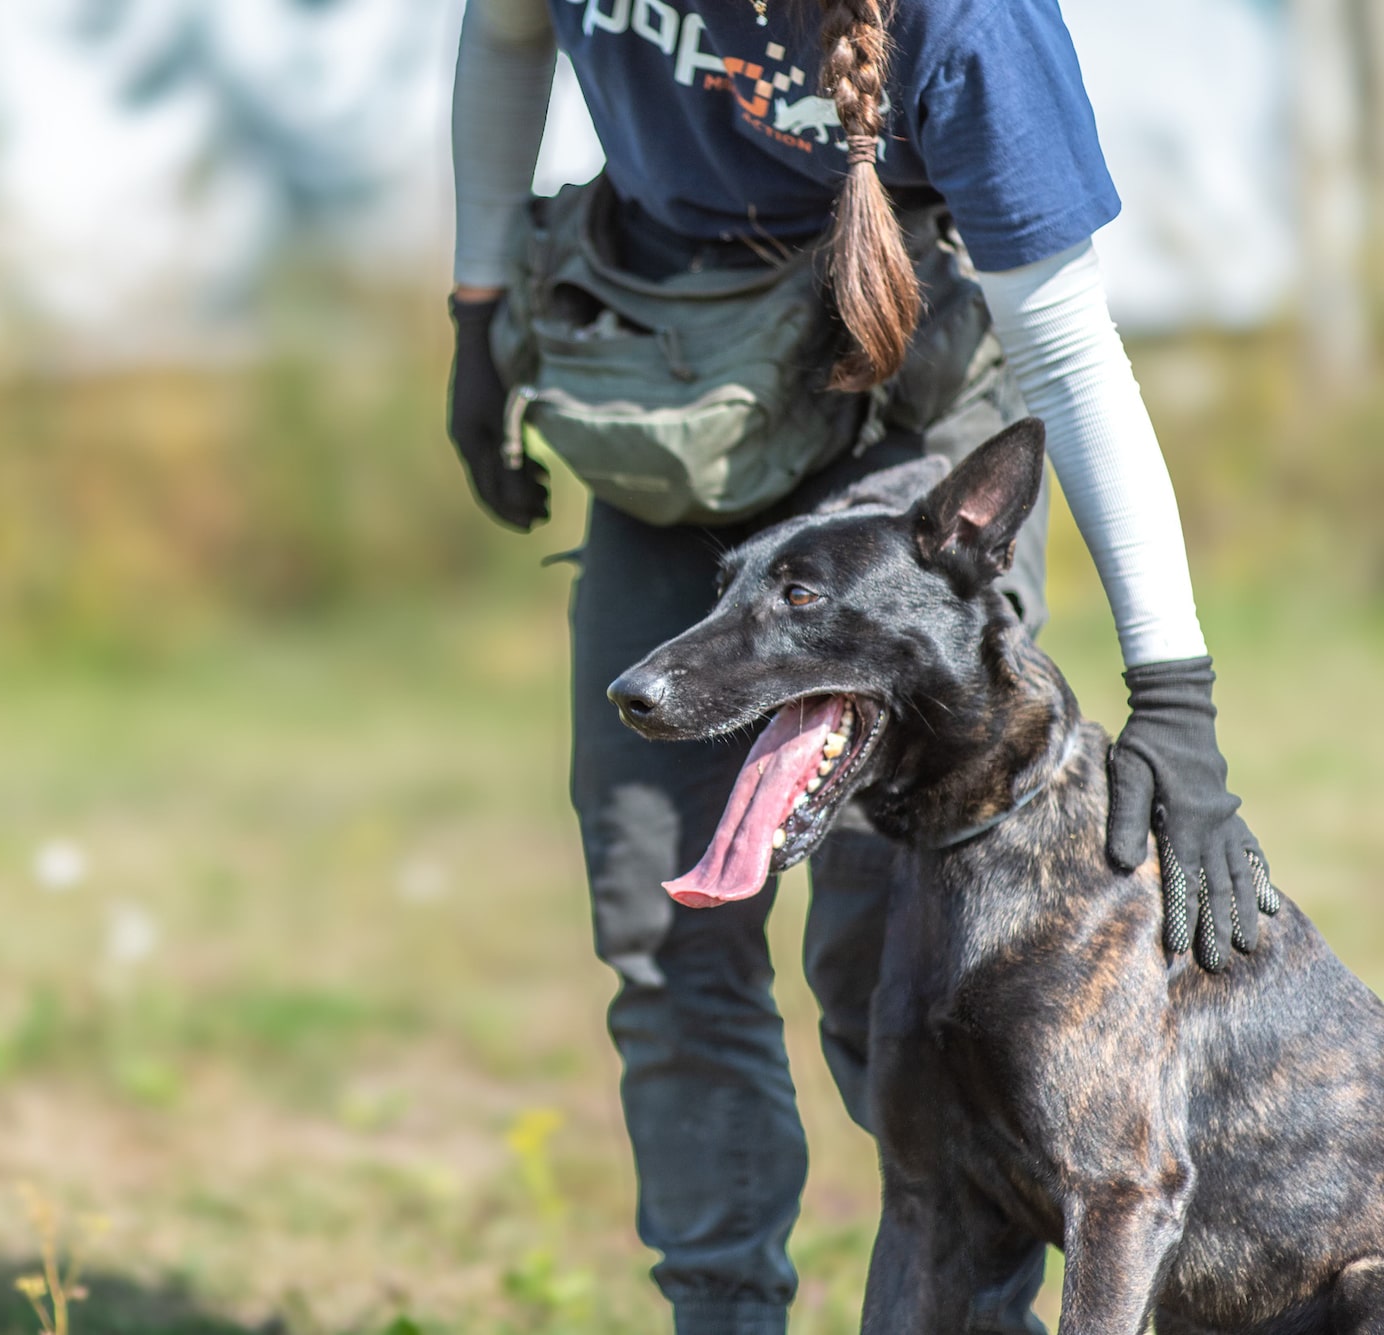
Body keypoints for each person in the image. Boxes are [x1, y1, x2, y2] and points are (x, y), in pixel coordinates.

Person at [444, 0, 1275, 1329]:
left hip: (904, 402)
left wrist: (1175, 701)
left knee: (893, 953)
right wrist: (478, 300)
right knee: (666, 933)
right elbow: (502, 38)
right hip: (671, 385)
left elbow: (1068, 354)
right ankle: (722, 1316)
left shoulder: (970, 27)